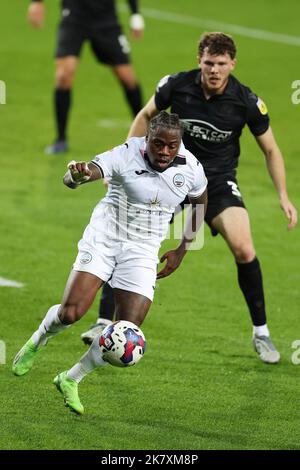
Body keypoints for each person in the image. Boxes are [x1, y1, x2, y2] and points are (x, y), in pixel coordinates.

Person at [84, 32, 298, 363]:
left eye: (222, 64)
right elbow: (144, 116)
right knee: (130, 236)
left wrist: (283, 195)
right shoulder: (177, 85)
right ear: (199, 60)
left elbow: (270, 149)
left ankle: (262, 333)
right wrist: (123, 164)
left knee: (244, 248)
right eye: (209, 63)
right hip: (166, 177)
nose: (215, 70)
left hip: (216, 181)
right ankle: (103, 322)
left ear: (232, 64)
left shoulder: (245, 101)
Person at [12, 111, 208, 415]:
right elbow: (81, 174)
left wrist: (183, 248)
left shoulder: (192, 167)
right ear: (147, 140)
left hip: (143, 250)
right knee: (71, 312)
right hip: (104, 238)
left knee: (126, 330)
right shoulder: (126, 153)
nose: (165, 152)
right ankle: (38, 340)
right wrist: (76, 176)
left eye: (172, 145)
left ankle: (71, 378)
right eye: (158, 144)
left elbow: (200, 201)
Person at [27, 0, 145, 153]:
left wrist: (135, 14)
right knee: (63, 76)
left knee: (127, 78)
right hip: (74, 17)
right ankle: (61, 139)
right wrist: (36, 2)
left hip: (106, 20)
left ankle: (145, 135)